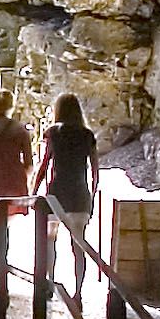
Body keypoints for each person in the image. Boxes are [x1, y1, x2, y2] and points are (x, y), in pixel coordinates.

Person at [39, 91, 97, 283]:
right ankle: (78, 291)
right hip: (80, 194)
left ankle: (49, 281)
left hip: (56, 194)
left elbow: (44, 165)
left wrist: (33, 192)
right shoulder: (88, 135)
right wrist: (92, 197)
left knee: (49, 241)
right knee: (78, 245)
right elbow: (96, 172)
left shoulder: (53, 133)